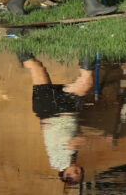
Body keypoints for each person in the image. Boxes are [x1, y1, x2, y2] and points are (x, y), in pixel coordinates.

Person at [19, 52, 97, 184]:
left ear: (66, 173)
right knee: (36, 67)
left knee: (86, 81)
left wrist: (101, 138)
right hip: (49, 110)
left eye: (76, 172)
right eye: (81, 171)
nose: (80, 169)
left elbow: (76, 141)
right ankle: (15, 37)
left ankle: (89, 42)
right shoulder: (63, 160)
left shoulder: (61, 162)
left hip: (56, 109)